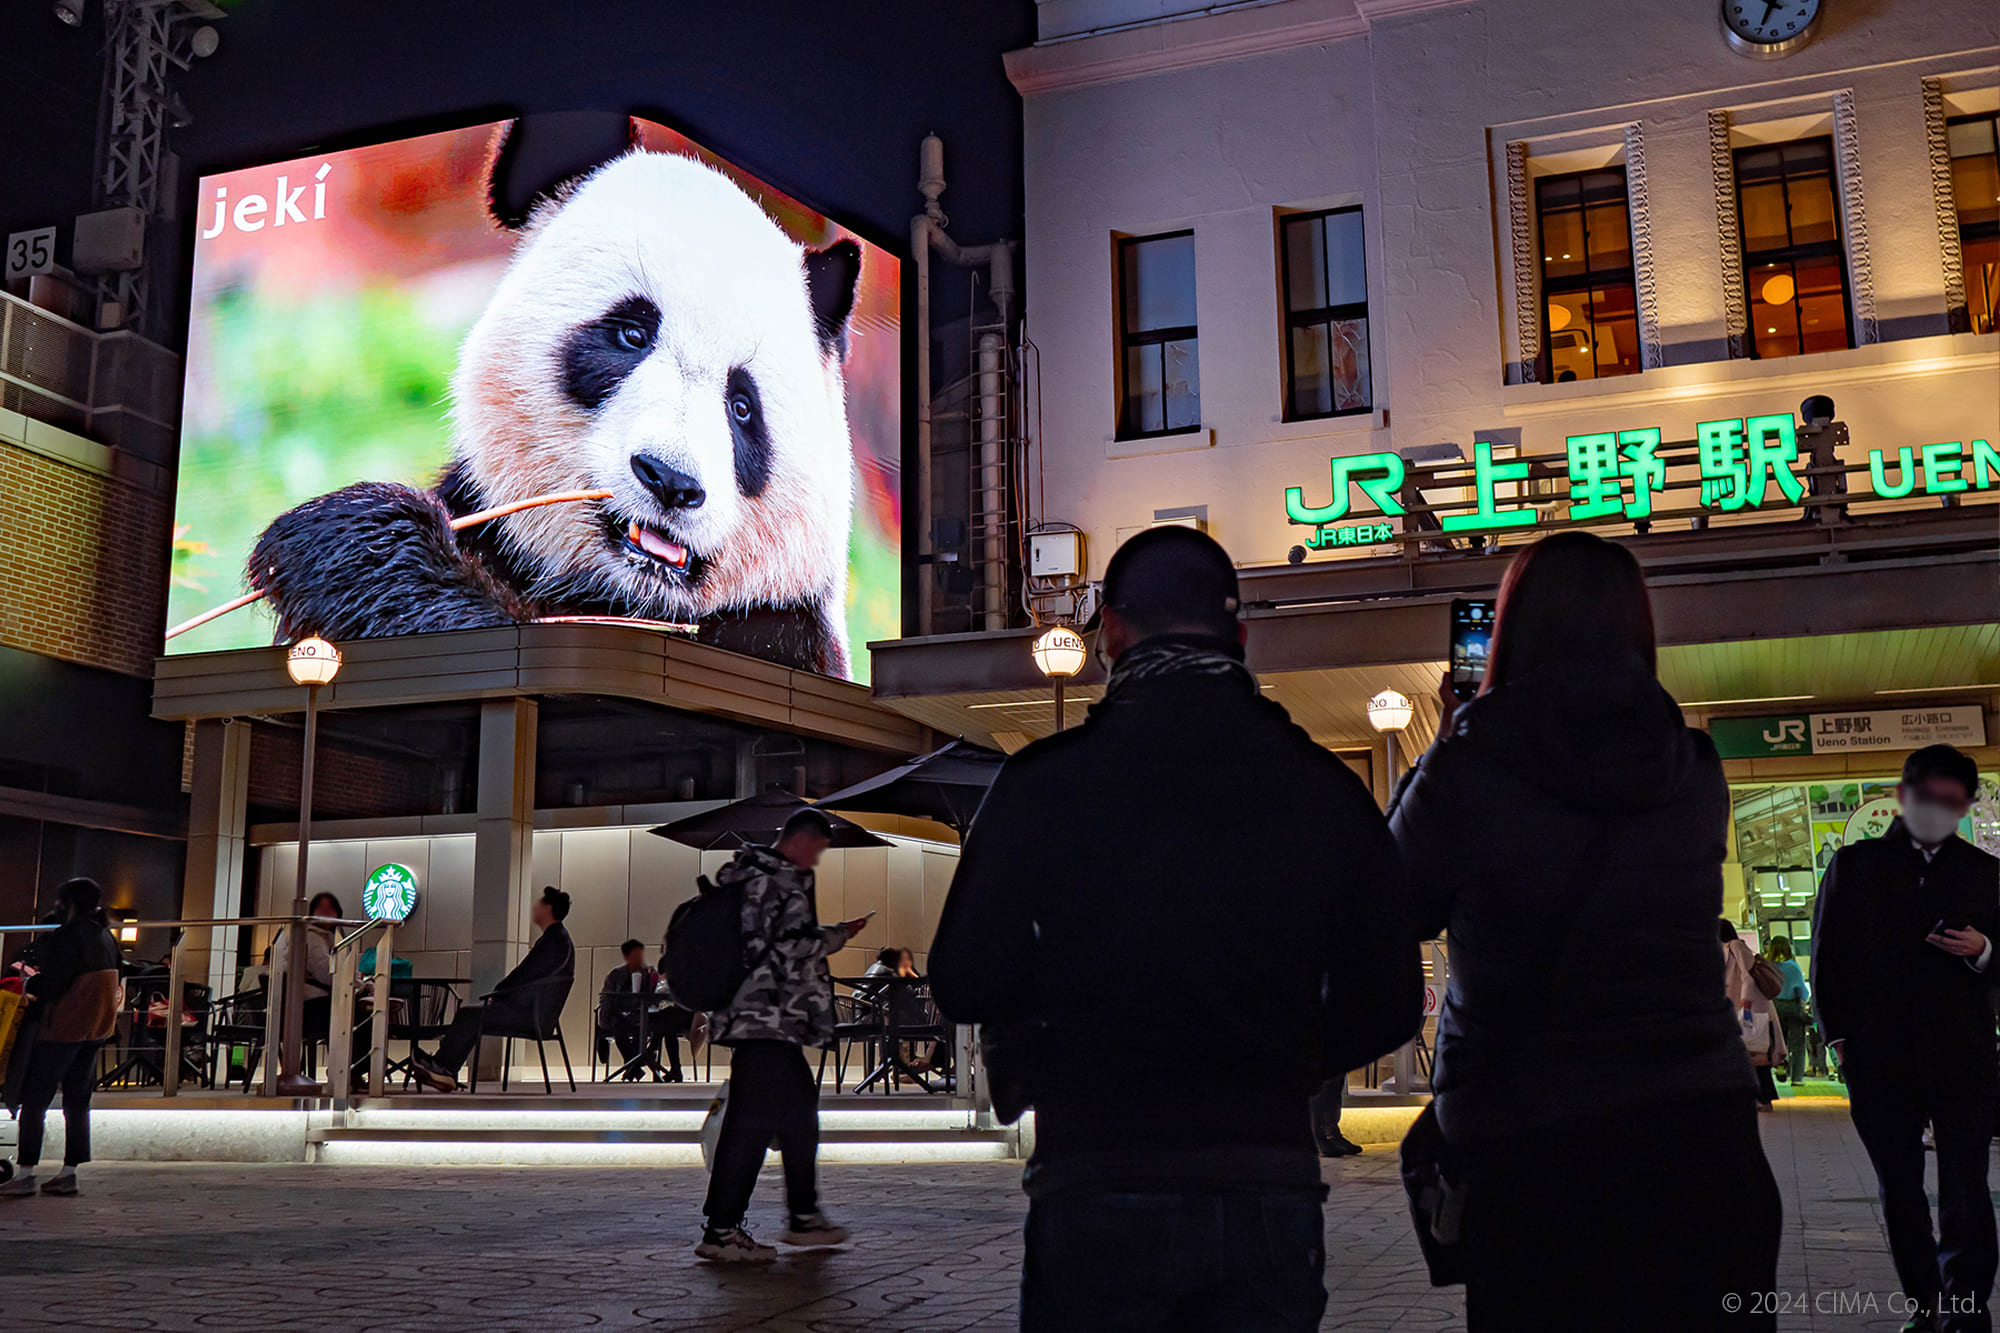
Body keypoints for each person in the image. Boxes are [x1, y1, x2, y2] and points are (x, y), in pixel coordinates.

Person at [929, 525, 1420, 1332]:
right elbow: (1393, 995)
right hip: (1261, 1166)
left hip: (1095, 1164)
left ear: (1112, 632)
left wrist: (1062, 1027)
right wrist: (1286, 1053)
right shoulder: (1320, 787)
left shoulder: (1044, 784)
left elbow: (963, 976)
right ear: (1242, 638)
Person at [1386, 532, 1780, 1330]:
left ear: (1510, 631)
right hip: (1702, 1129)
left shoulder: (1468, 765)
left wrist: (1443, 743)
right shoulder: (1693, 767)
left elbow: (1387, 903)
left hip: (1533, 1147)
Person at [1812, 744, 1998, 1333]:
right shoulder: (1855, 864)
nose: (1936, 809)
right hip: (1878, 1054)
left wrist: (1985, 951)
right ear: (1902, 796)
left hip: (1963, 1051)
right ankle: (1925, 1307)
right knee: (1900, 1190)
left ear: (1966, 804)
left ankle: (1965, 1313)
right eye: (1925, 796)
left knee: (1965, 1186)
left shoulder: (1985, 872)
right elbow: (1826, 957)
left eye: (1950, 800)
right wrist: (1838, 1039)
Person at [697, 808, 872, 1263]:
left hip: (754, 1017)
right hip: (768, 1017)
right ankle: (724, 1230)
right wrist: (836, 936)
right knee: (751, 1126)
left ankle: (802, 1216)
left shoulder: (744, 874)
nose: (816, 860)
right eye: (817, 849)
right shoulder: (782, 879)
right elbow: (788, 946)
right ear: (801, 840)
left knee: (794, 1111)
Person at [1, 878, 121, 1198]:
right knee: (77, 1102)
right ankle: (69, 1173)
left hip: (62, 1028)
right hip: (95, 1029)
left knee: (35, 1100)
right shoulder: (106, 936)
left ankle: (26, 1173)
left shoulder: (69, 936)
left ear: (68, 904)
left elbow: (53, 984)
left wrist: (29, 984)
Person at [413, 887, 574, 1092]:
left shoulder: (553, 940)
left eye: (539, 904)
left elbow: (524, 975)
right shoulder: (559, 939)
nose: (534, 908)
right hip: (537, 1014)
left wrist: (498, 996)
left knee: (467, 1015)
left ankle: (443, 1067)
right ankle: (445, 1070)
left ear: (548, 908)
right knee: (473, 1018)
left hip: (529, 1015)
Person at [598, 939, 684, 1082]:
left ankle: (641, 1062)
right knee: (620, 1027)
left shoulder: (649, 973)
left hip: (643, 1013)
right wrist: (603, 1022)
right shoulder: (616, 975)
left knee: (658, 1023)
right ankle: (639, 1063)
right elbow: (606, 999)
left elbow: (656, 998)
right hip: (620, 1015)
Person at [1722, 919, 1785, 1110]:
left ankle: (1763, 1098)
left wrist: (1745, 1004)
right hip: (1741, 1007)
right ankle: (1757, 1097)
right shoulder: (1726, 948)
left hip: (1750, 1008)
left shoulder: (1735, 946)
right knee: (1750, 1052)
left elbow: (1747, 977)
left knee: (1756, 1052)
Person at [270, 891, 343, 1047]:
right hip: (310, 1008)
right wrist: (358, 982)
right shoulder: (312, 938)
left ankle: (351, 1065)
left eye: (330, 908)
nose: (326, 912)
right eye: (321, 908)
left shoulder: (320, 937)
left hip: (299, 1005)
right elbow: (327, 973)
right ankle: (354, 1065)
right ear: (312, 913)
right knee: (354, 1012)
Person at [1766, 935, 1813, 1083]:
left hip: (1774, 1006)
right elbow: (1802, 990)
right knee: (1798, 1043)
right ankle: (1797, 1078)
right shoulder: (1793, 966)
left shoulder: (1768, 966)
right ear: (1788, 948)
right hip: (1792, 1006)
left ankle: (1780, 1064)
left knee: (1779, 1040)